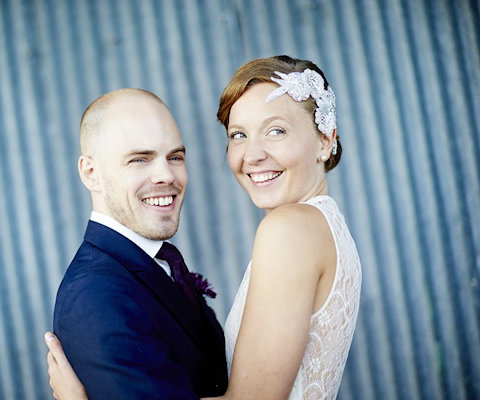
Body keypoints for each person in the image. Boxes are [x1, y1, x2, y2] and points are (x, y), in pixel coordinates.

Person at [46, 55, 362, 400]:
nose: (252, 154)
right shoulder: (95, 294)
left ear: (325, 140)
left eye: (276, 130)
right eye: (238, 135)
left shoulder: (289, 229)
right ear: (90, 172)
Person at [51, 88, 228, 400]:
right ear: (91, 173)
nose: (166, 175)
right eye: (139, 159)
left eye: (175, 157)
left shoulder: (153, 261)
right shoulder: (95, 296)